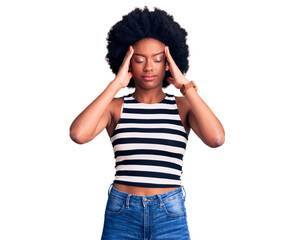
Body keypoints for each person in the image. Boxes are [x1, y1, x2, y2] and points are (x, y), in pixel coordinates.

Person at [69, 7, 225, 240]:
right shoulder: (115, 108)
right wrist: (116, 84)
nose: (149, 67)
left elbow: (216, 139)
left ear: (168, 64)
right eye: (139, 60)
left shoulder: (184, 107)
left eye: (158, 59)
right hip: (122, 212)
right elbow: (78, 134)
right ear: (128, 63)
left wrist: (185, 85)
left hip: (169, 215)